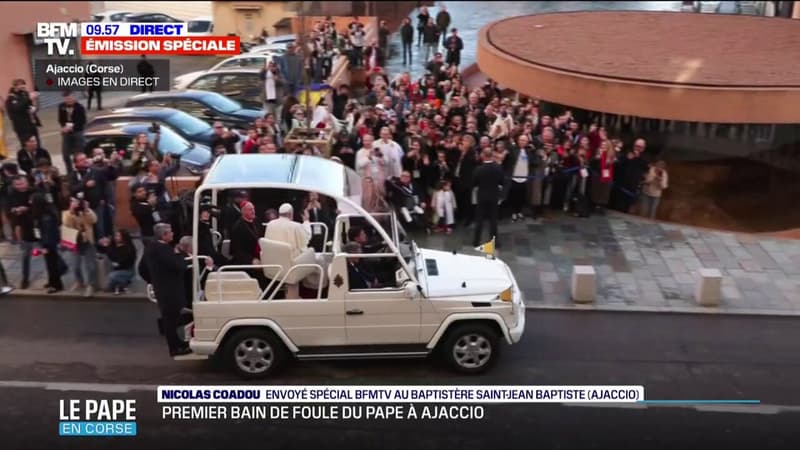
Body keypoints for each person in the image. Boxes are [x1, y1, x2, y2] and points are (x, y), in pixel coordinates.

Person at [146, 223, 191, 356]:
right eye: (170, 232)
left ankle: (178, 342)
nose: (172, 234)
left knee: (172, 318)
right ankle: (174, 348)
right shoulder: (162, 249)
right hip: (169, 290)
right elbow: (179, 266)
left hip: (164, 288)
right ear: (164, 235)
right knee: (171, 320)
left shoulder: (153, 247)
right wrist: (178, 254)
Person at [264, 203, 317, 298]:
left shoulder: (270, 225)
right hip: (291, 267)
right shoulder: (295, 226)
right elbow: (307, 237)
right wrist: (306, 221)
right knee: (313, 255)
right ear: (290, 214)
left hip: (272, 266)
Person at [62, 196, 98, 297]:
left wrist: (86, 210)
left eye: (77, 202)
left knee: (90, 266)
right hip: (74, 241)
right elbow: (67, 224)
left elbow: (94, 220)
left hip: (87, 241)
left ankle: (91, 285)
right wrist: (72, 211)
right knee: (75, 266)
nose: (76, 204)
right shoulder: (66, 213)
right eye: (73, 202)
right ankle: (79, 282)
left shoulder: (86, 212)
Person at [472, 147, 504, 248]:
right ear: (492, 155)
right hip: (494, 196)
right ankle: (495, 242)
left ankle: (476, 241)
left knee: (479, 219)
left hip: (482, 196)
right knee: (493, 220)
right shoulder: (498, 168)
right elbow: (501, 181)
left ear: (483, 155)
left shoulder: (479, 169)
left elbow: (474, 183)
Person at [8, 175, 35, 289]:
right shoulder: (12, 194)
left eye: (22, 183)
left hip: (36, 225)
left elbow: (40, 206)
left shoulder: (34, 191)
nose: (20, 186)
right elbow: (10, 208)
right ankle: (25, 278)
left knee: (47, 250)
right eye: (17, 184)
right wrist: (14, 210)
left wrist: (27, 208)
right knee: (25, 254)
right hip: (23, 227)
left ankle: (61, 266)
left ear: (27, 183)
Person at [58, 90, 87, 175]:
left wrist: (72, 128)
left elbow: (82, 121)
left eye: (70, 98)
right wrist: (64, 127)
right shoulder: (61, 106)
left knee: (78, 155)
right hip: (67, 132)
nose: (69, 100)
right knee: (65, 154)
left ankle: (81, 172)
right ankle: (70, 173)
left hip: (77, 132)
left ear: (74, 97)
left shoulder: (79, 107)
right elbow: (60, 119)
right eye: (66, 99)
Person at [5, 79, 40, 147]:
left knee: (37, 144)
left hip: (31, 124)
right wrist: (29, 98)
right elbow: (17, 108)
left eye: (24, 85)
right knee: (27, 146)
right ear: (15, 86)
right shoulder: (11, 98)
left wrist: (33, 108)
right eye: (21, 85)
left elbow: (29, 104)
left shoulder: (25, 93)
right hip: (21, 127)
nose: (23, 87)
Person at [100, 229, 137, 294]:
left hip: (127, 270)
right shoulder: (113, 246)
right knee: (110, 272)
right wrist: (106, 246)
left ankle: (117, 285)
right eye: (116, 236)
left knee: (112, 276)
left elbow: (126, 261)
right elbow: (110, 255)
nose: (116, 238)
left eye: (119, 236)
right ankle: (121, 285)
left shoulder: (129, 248)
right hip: (115, 268)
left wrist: (117, 263)